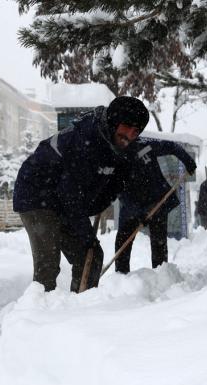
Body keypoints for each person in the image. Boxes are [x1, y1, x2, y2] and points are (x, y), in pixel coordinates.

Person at [14, 96, 148, 292]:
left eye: (136, 131)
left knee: (91, 257)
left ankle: (82, 305)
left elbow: (117, 187)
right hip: (35, 194)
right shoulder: (85, 139)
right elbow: (70, 194)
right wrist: (85, 234)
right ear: (113, 122)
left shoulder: (121, 149)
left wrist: (136, 208)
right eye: (126, 126)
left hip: (64, 199)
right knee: (48, 263)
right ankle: (39, 307)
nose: (130, 135)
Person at [114, 138, 196, 273]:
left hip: (157, 201)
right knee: (123, 241)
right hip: (131, 206)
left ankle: (161, 274)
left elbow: (171, 146)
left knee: (159, 242)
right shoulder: (114, 158)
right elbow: (119, 192)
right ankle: (121, 276)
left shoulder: (145, 145)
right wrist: (138, 213)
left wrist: (187, 160)